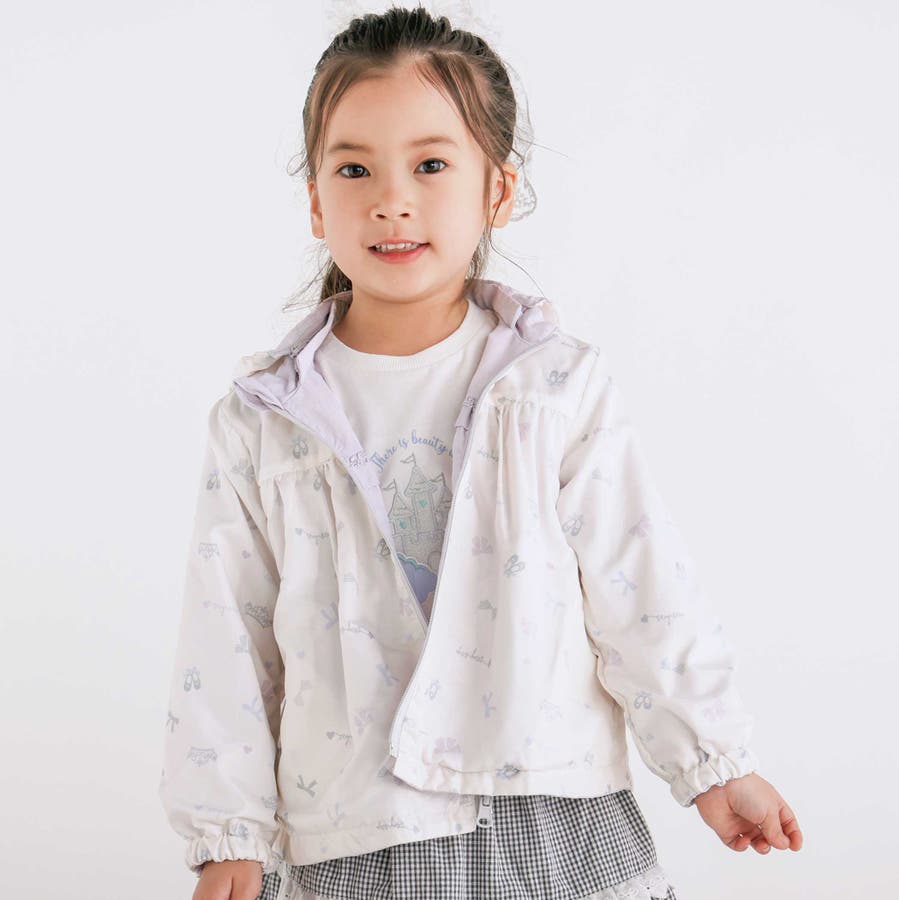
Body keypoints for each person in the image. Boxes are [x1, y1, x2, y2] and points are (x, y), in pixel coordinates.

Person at [157, 5, 803, 900]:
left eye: (430, 165)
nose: (392, 199)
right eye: (354, 168)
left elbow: (638, 582)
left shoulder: (556, 386)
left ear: (497, 190)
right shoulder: (262, 422)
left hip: (552, 813)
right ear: (314, 200)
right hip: (360, 834)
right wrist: (230, 831)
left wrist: (713, 761)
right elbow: (228, 635)